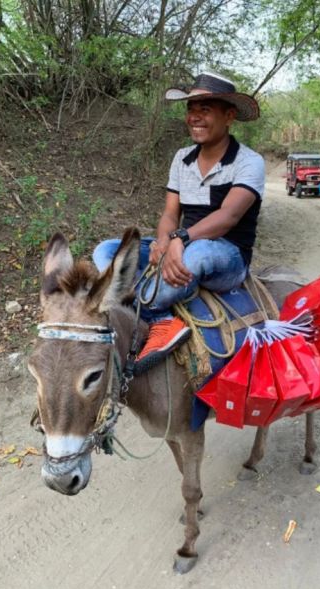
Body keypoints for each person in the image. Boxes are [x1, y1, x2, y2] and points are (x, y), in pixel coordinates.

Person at [92, 72, 265, 368]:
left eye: (205, 109)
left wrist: (180, 240)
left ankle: (141, 310)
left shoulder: (249, 161)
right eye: (191, 109)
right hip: (181, 243)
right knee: (107, 251)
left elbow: (228, 217)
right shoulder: (182, 158)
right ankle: (159, 314)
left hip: (226, 253)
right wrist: (162, 241)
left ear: (229, 116)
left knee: (196, 257)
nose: (195, 117)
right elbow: (171, 213)